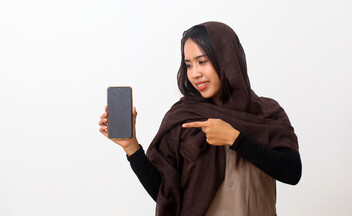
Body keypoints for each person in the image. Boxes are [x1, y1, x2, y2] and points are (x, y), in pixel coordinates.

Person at [99, 21, 301, 216]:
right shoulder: (183, 117)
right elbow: (165, 195)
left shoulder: (267, 113)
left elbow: (292, 173)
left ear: (227, 59)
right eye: (188, 65)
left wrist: (236, 139)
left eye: (202, 61)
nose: (194, 74)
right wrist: (131, 146)